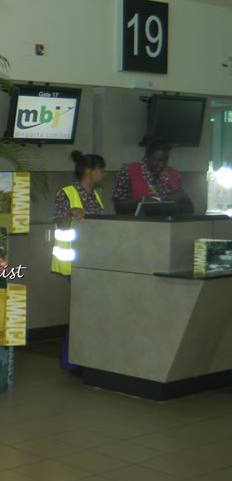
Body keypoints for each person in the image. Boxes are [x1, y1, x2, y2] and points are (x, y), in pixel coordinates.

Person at [52, 149, 107, 370]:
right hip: (74, 261)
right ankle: (70, 361)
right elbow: (61, 223)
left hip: (94, 260)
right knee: (81, 309)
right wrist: (70, 213)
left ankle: (81, 357)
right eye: (101, 169)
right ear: (89, 170)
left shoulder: (95, 195)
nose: (104, 174)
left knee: (88, 308)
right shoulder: (66, 193)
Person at [113, 138, 193, 215]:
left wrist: (184, 199)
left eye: (165, 160)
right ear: (147, 157)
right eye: (157, 160)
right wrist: (141, 202)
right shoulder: (129, 170)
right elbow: (118, 208)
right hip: (136, 226)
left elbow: (190, 210)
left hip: (166, 227)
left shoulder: (174, 174)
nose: (161, 165)